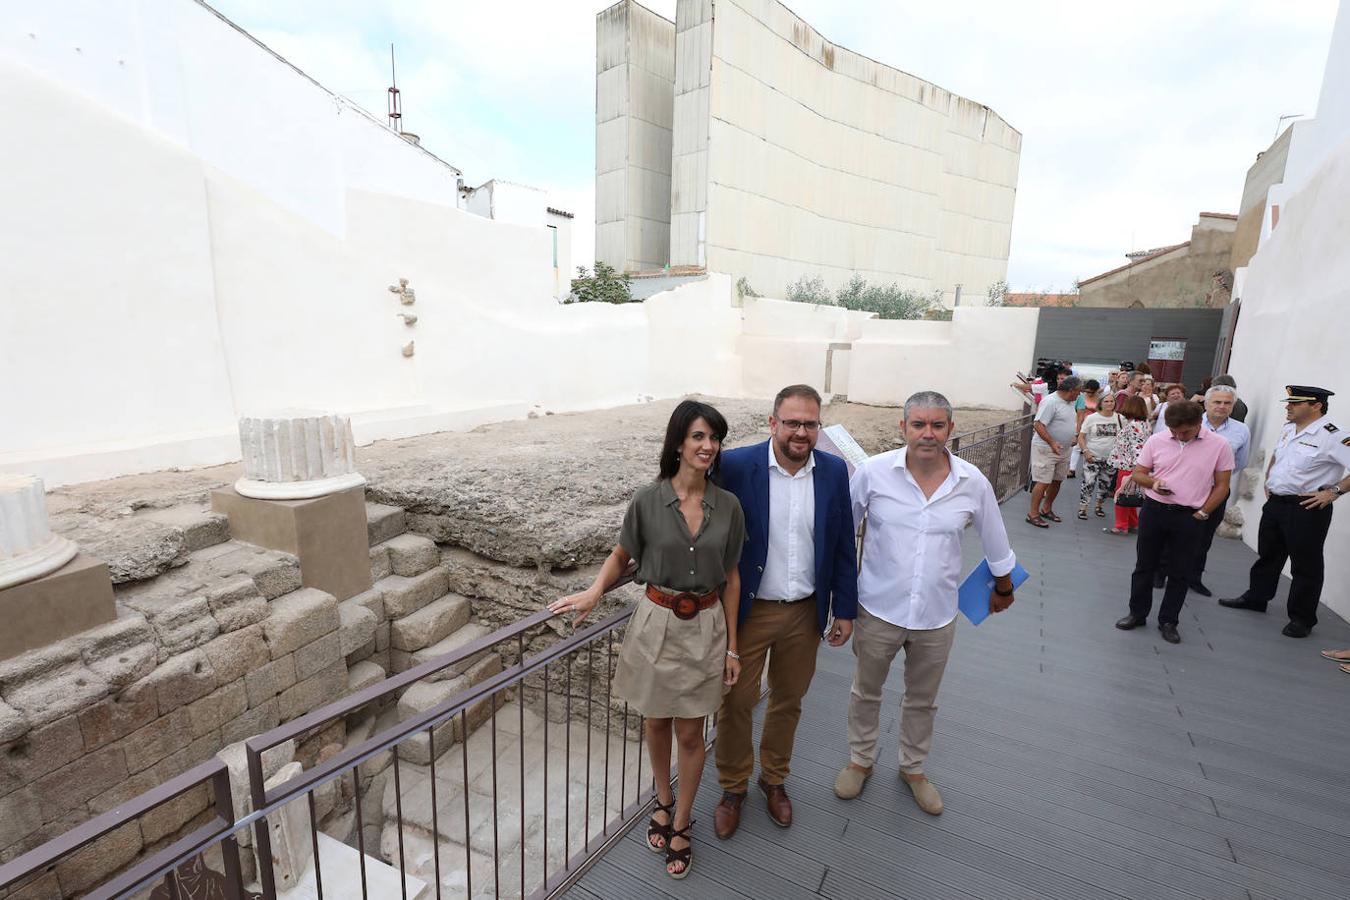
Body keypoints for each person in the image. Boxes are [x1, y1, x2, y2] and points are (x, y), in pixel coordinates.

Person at [550, 399, 745, 879]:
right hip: (656, 619)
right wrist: (595, 591)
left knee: (690, 732)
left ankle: (681, 823)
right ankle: (662, 796)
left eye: (714, 438)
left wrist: (733, 647)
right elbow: (622, 555)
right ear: (678, 442)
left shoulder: (729, 506)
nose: (707, 446)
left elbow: (733, 578)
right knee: (656, 724)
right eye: (698, 436)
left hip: (707, 624)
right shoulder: (647, 500)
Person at [834, 391, 1016, 814]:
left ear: (951, 429)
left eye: (937, 425)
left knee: (922, 698)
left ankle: (912, 767)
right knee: (865, 691)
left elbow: (997, 543)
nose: (927, 434)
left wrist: (1003, 589)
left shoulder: (973, 483)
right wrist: (838, 600)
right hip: (877, 609)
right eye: (918, 424)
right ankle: (860, 760)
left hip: (937, 616)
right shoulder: (872, 473)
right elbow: (843, 534)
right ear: (904, 429)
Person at [712, 385, 858, 839]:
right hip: (749, 612)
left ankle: (774, 779)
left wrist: (845, 608)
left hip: (805, 612)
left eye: (810, 424)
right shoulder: (736, 466)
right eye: (792, 422)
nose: (801, 431)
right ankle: (733, 787)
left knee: (788, 700)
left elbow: (841, 544)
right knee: (735, 702)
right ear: (773, 423)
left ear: (820, 427)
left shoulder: (834, 471)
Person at [1219, 386, 1350, 638]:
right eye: (1288, 402)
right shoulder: (1289, 428)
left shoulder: (1333, 435)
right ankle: (1257, 597)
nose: (1288, 407)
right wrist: (1269, 479)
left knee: (1305, 564)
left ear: (1316, 406)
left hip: (1306, 507)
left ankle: (1302, 618)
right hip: (1277, 503)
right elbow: (1279, 456)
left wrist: (1333, 491)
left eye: (1295, 403)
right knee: (1268, 554)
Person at [1114, 400, 1234, 644]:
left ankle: (1168, 621)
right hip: (1154, 510)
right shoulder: (1157, 440)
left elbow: (1222, 486)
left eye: (1185, 431)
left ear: (1199, 424)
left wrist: (1203, 513)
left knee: (1180, 572)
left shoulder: (1220, 445)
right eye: (1174, 431)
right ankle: (1137, 613)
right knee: (1144, 566)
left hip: (1190, 515)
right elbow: (1138, 473)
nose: (1179, 435)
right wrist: (1154, 483)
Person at [1187, 386, 1251, 596]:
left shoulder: (1241, 430)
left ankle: (1194, 577)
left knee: (1204, 537)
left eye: (1227, 403)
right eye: (1217, 402)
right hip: (1185, 487)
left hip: (1217, 490)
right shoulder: (1190, 422)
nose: (1222, 407)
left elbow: (1239, 462)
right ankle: (1162, 572)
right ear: (1206, 403)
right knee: (1173, 531)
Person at [1026, 376, 1083, 527]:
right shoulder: (1050, 402)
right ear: (1071, 390)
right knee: (1043, 481)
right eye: (1078, 391)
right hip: (1046, 448)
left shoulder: (1070, 402)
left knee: (1057, 480)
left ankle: (1046, 509)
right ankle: (1033, 513)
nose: (1079, 394)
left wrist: (1073, 436)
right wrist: (1052, 442)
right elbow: (1038, 424)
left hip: (1063, 449)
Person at [1104, 395, 1152, 535]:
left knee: (1122, 495)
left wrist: (1136, 468)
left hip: (1127, 465)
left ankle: (1120, 525)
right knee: (1131, 494)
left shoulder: (1133, 425)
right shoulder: (1144, 424)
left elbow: (1137, 447)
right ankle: (1133, 523)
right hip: (1134, 466)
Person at [1077, 392, 1120, 519]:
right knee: (1088, 482)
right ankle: (1083, 508)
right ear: (1100, 403)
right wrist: (1085, 451)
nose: (1109, 403)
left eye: (1111, 401)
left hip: (1110, 458)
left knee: (1105, 484)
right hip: (1093, 455)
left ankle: (1098, 506)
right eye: (1106, 401)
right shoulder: (1092, 418)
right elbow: (1081, 437)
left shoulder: (1119, 419)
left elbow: (1123, 438)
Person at [1068, 378, 1102, 479]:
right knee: (1077, 447)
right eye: (1087, 392)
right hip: (1081, 424)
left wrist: (1093, 410)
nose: (1089, 394)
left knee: (1090, 448)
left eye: (1092, 392)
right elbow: (1075, 410)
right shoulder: (1080, 397)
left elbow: (1103, 412)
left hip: (1094, 426)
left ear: (1096, 391)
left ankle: (1087, 470)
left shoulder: (1100, 399)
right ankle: (1072, 469)